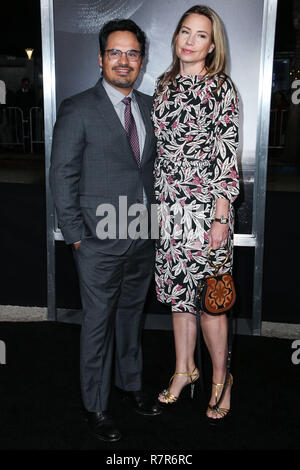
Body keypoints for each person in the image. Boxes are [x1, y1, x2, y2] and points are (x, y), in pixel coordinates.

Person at [49, 19, 161, 442]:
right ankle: (96, 406)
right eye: (115, 52)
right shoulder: (78, 108)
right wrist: (77, 237)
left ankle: (130, 386)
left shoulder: (151, 107)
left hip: (143, 236)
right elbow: (62, 176)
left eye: (132, 53)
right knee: (98, 323)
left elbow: (151, 171)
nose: (124, 61)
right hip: (96, 241)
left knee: (132, 318)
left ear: (141, 60)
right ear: (100, 59)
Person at [152, 5, 239, 423]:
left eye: (200, 35)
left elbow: (226, 157)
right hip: (171, 211)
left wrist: (222, 217)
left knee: (210, 303)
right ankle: (185, 370)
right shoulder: (163, 85)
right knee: (178, 298)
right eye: (184, 31)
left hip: (207, 212)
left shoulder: (222, 88)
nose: (189, 40)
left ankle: (222, 380)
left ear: (212, 44)